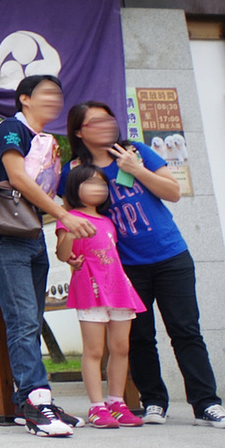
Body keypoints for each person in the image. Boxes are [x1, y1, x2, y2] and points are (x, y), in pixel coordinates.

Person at [62, 101, 225, 429]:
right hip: (123, 268)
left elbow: (173, 192)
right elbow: (71, 217)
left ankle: (206, 403)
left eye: (108, 119)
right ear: (80, 131)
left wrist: (135, 168)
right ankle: (154, 401)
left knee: (186, 330)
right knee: (139, 336)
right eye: (95, 122)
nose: (105, 125)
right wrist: (72, 253)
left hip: (170, 255)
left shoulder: (136, 151)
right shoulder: (76, 170)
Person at [0, 74, 94, 437]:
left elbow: (56, 189)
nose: (55, 100)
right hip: (6, 236)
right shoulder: (12, 129)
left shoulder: (50, 142)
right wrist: (63, 216)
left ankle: (29, 399)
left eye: (59, 95)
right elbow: (17, 176)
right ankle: (35, 399)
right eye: (47, 93)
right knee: (23, 320)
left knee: (31, 317)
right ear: (25, 99)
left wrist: (66, 234)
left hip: (30, 235)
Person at [54, 165, 146, 428]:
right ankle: (96, 407)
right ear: (75, 188)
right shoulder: (68, 218)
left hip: (118, 287)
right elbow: (62, 255)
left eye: (102, 184)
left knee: (121, 347)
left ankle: (117, 402)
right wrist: (70, 234)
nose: (98, 188)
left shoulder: (108, 221)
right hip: (89, 288)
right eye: (91, 183)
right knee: (94, 350)